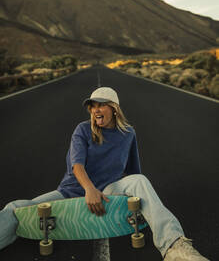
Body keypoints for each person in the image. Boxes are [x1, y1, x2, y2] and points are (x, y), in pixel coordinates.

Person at [0, 87, 209, 261]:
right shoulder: (82, 130)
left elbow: (133, 172)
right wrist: (89, 189)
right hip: (71, 191)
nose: (95, 110)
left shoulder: (128, 133)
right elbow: (76, 166)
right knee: (15, 208)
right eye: (92, 106)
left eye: (101, 105)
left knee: (140, 181)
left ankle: (174, 247)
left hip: (109, 190)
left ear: (114, 108)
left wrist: (139, 205)